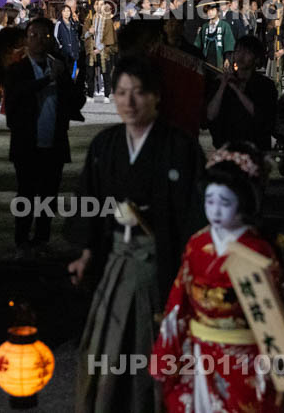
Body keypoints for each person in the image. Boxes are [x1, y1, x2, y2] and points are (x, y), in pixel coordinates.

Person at [69, 56, 205, 413]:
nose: (129, 102)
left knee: (153, 344)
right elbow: (89, 201)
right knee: (107, 346)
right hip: (116, 258)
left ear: (157, 97)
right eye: (122, 92)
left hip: (161, 262)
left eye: (139, 93)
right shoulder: (105, 146)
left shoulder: (180, 146)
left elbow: (195, 211)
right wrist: (85, 252)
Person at [151, 143, 281, 413]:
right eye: (209, 201)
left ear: (244, 203)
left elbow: (273, 319)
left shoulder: (259, 250)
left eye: (225, 202)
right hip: (200, 350)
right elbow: (179, 301)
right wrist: (166, 354)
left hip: (244, 356)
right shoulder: (197, 244)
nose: (215, 211)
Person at [5, 18, 82, 258]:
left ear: (51, 39)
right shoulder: (17, 69)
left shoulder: (59, 66)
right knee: (26, 194)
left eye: (44, 35)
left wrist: (62, 79)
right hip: (27, 142)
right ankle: (21, 241)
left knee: (49, 196)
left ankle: (41, 240)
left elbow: (77, 101)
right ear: (26, 39)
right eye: (33, 35)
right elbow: (15, 97)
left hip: (54, 141)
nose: (38, 40)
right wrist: (47, 80)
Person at [206, 35, 277, 151]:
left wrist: (237, 91)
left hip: (256, 150)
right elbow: (210, 115)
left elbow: (262, 118)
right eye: (238, 51)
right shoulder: (221, 82)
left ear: (257, 58)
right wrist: (223, 86)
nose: (241, 55)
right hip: (226, 149)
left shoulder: (265, 86)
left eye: (247, 52)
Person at [194, 3, 236, 69]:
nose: (210, 12)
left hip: (219, 59)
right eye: (208, 11)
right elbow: (197, 44)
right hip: (205, 59)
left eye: (212, 10)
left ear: (218, 11)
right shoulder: (204, 27)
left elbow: (229, 43)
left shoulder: (225, 26)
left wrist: (227, 59)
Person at [54, 0, 83, 76]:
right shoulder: (59, 24)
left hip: (74, 50)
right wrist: (61, 46)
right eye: (64, 11)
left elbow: (78, 33)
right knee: (66, 71)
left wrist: (77, 22)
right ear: (61, 12)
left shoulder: (73, 23)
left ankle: (73, 84)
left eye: (68, 11)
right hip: (65, 51)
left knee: (74, 71)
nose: (67, 13)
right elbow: (55, 36)